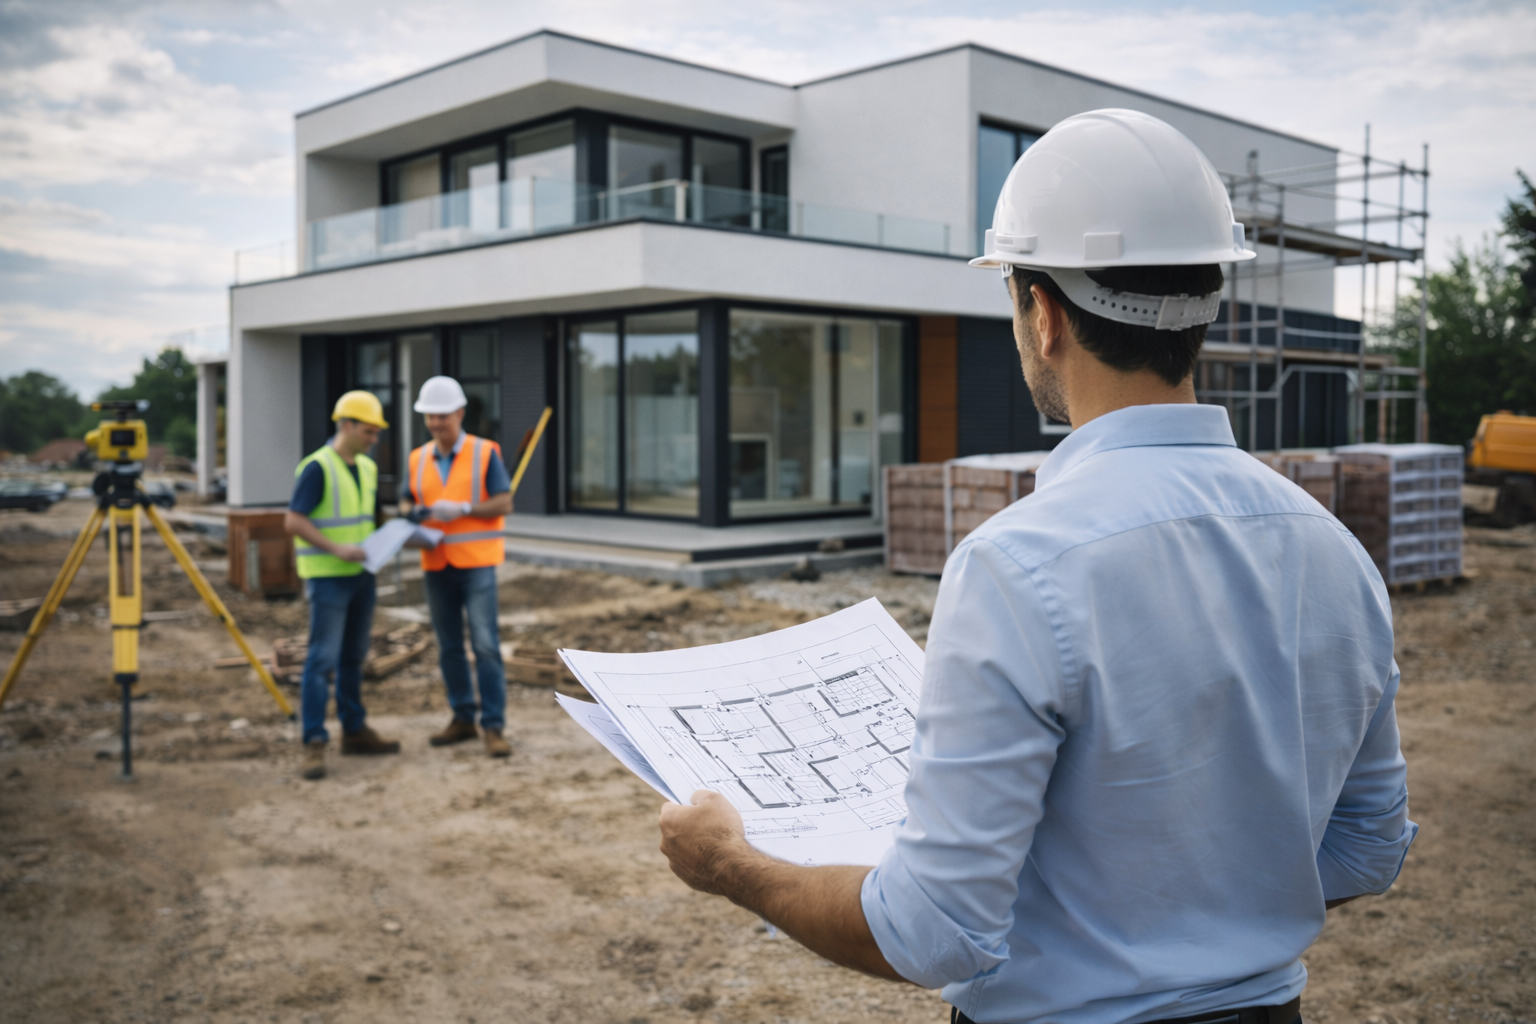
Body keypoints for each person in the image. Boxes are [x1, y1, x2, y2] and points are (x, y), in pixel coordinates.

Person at [656, 109, 1418, 1024]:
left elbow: (931, 931)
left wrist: (731, 864)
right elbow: (1368, 849)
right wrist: (1205, 902)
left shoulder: (1018, 565)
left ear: (1044, 314)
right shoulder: (1333, 549)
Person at [284, 390, 402, 781]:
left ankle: (354, 731)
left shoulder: (366, 468)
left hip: (362, 576)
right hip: (329, 577)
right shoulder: (317, 467)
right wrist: (337, 549)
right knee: (322, 660)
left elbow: (371, 518)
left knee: (353, 658)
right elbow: (294, 521)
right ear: (346, 425)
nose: (374, 439)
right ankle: (314, 742)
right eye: (369, 431)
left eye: (376, 432)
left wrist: (401, 527)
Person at [400, 375, 514, 758]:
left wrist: (465, 508)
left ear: (460, 414)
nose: (435, 423)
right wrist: (412, 512)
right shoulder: (417, 458)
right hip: (436, 563)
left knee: (485, 646)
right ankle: (463, 718)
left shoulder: (485, 453)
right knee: (449, 647)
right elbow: (405, 500)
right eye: (430, 417)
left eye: (442, 416)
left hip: (477, 565)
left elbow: (504, 502)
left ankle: (493, 726)